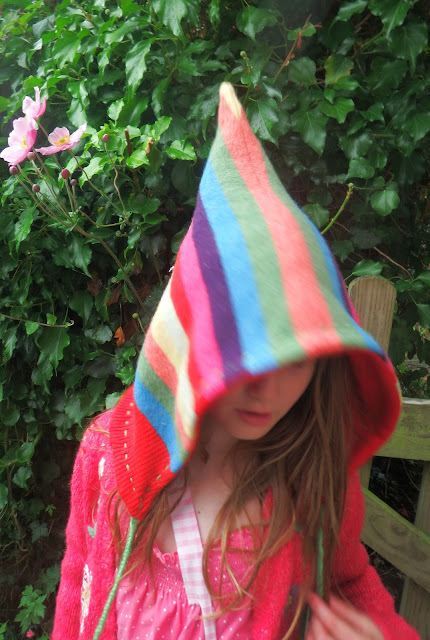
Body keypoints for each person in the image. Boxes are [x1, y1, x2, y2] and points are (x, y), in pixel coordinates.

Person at [52, 82, 421, 640]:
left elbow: (347, 581)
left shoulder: (313, 475)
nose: (266, 390)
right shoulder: (107, 456)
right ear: (190, 340)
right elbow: (77, 594)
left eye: (295, 360)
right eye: (243, 358)